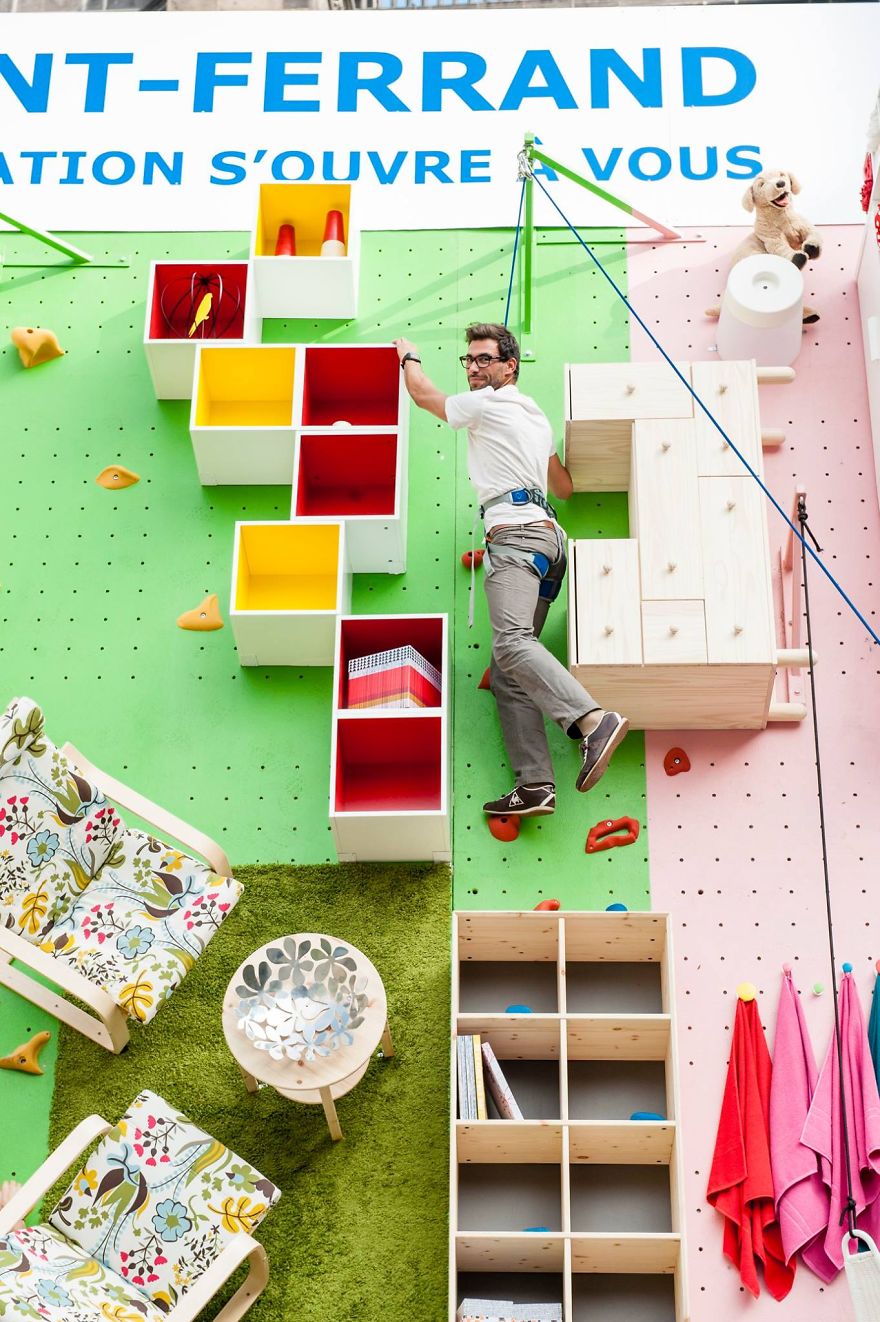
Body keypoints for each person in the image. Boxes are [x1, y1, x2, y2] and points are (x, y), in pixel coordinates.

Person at [393, 322, 629, 817]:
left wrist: (408, 355)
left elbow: (422, 395)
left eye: (484, 360)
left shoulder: (489, 404)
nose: (474, 368)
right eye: (469, 361)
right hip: (549, 541)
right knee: (508, 674)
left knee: (511, 642)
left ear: (509, 365)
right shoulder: (532, 415)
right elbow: (562, 486)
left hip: (517, 537)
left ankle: (592, 720)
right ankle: (536, 784)